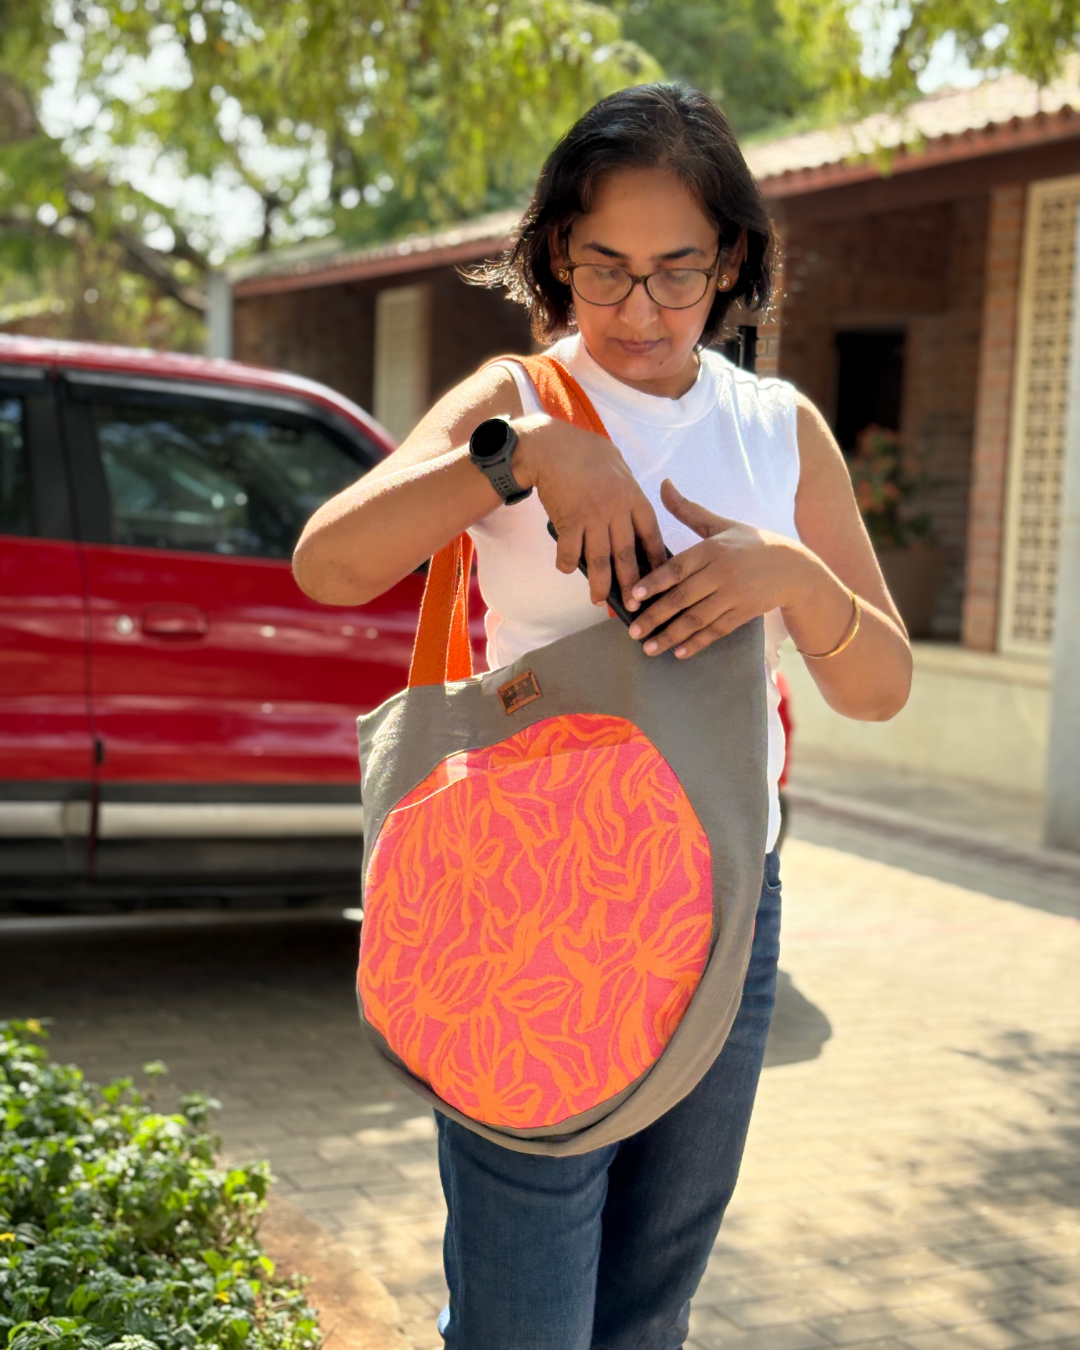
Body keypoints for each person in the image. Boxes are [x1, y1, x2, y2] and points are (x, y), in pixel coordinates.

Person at [294, 83, 911, 1350]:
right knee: (525, 1315)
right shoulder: (513, 394)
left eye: (677, 274)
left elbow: (880, 683)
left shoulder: (779, 428)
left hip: (728, 894)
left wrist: (792, 582)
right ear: (556, 258)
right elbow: (327, 563)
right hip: (529, 886)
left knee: (646, 1310)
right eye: (604, 271)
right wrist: (518, 457)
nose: (639, 312)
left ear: (732, 260)